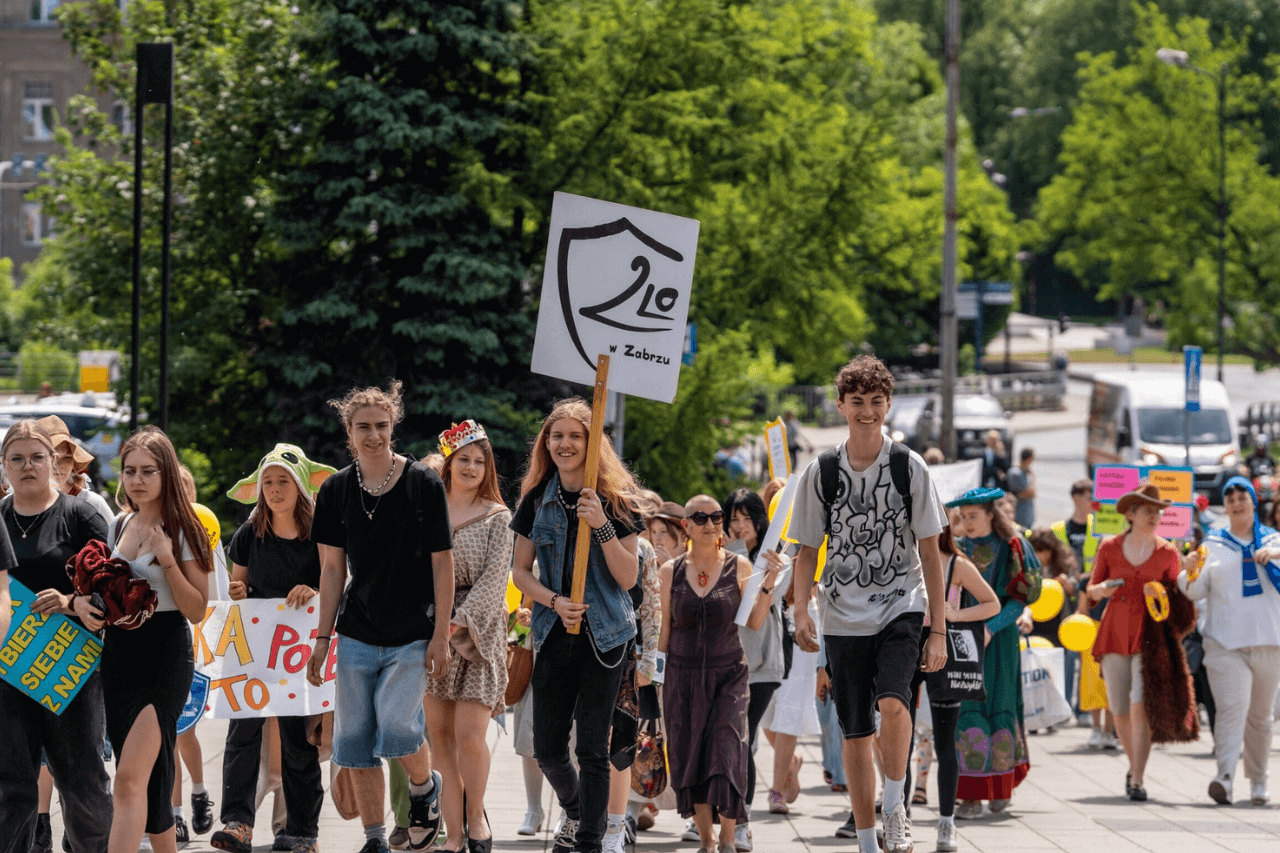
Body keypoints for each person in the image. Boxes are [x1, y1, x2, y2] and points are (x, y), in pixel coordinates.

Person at [790, 355, 949, 853]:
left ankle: (896, 803)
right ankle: (865, 841)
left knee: (894, 702)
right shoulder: (823, 471)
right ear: (840, 405)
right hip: (840, 613)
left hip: (900, 603)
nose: (866, 411)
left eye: (876, 402)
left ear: (888, 405)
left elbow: (931, 552)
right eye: (856, 402)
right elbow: (806, 551)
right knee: (855, 731)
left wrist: (938, 629)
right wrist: (800, 610)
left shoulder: (908, 466)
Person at [306, 381, 454, 853]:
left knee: (397, 729)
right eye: (364, 427)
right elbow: (332, 569)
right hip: (356, 633)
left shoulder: (422, 484)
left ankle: (424, 788)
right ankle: (373, 838)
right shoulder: (334, 490)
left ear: (394, 427)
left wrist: (441, 634)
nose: (374, 435)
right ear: (349, 432)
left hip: (413, 631)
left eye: (382, 426)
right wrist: (321, 639)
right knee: (352, 742)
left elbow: (442, 562)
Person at [510, 398, 645, 853]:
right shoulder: (536, 499)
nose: (565, 443)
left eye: (575, 435)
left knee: (591, 748)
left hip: (606, 638)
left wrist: (602, 525)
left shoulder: (616, 499)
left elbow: (628, 578)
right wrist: (554, 601)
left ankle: (589, 841)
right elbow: (521, 572)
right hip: (553, 631)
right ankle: (576, 813)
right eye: (557, 435)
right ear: (546, 443)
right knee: (546, 747)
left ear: (592, 444)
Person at [210, 444, 336, 853]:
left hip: (299, 654)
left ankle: (302, 833)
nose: (275, 489)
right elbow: (239, 589)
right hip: (255, 651)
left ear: (300, 485)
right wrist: (238, 590)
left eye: (283, 481)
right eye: (268, 482)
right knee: (241, 734)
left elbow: (336, 584)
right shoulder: (249, 534)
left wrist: (313, 590)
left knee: (297, 742)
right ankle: (237, 823)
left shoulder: (321, 533)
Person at [0, 419, 111, 853]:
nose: (27, 466)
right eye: (17, 459)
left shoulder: (80, 514)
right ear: (4, 466)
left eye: (37, 458)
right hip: (7, 672)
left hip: (70, 671)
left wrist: (71, 600)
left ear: (54, 463)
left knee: (83, 781)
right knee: (11, 786)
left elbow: (111, 587)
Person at [104, 426, 215, 853]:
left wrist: (167, 558)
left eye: (148, 470)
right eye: (130, 470)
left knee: (128, 778)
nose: (137, 480)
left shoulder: (186, 527)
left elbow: (197, 609)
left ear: (166, 473)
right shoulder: (119, 524)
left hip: (164, 655)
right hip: (117, 657)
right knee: (149, 784)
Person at [658, 494, 780, 853]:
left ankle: (729, 838)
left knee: (726, 752)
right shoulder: (671, 572)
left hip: (729, 675)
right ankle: (707, 842)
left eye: (716, 517)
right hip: (682, 675)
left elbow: (755, 621)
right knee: (690, 755)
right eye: (700, 517)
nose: (710, 524)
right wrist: (653, 679)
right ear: (687, 526)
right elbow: (663, 630)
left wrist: (768, 583)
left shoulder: (740, 567)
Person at [424, 421, 514, 853]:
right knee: (437, 737)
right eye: (464, 459)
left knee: (470, 735)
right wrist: (433, 624)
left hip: (477, 637)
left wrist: (456, 623)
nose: (473, 467)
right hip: (430, 631)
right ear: (449, 462)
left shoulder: (499, 517)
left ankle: (476, 816)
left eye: (480, 461)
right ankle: (454, 833)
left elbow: (495, 581)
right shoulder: (427, 508)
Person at [1086, 482, 1194, 802]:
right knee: (1119, 707)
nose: (1155, 516)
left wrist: (1182, 580)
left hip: (1150, 637)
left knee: (1139, 705)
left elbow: (1178, 598)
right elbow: (1091, 590)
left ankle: (1137, 777)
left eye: (1158, 511)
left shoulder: (1168, 552)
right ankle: (1134, 767)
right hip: (1115, 630)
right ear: (1131, 513)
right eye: (1148, 511)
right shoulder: (1108, 546)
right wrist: (1101, 589)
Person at [1179, 476, 1280, 806]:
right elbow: (1193, 591)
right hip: (1225, 643)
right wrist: (1188, 568)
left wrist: (1274, 556)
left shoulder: (1275, 541)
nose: (1237, 501)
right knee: (1231, 709)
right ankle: (1224, 777)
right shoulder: (1212, 546)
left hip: (1268, 640)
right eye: (1230, 496)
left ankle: (1259, 781)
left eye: (1243, 496)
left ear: (1254, 502)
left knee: (1261, 717)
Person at [904, 523, 1000, 853]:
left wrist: (956, 615)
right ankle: (900, 817)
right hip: (903, 646)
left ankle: (946, 823)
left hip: (942, 647)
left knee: (945, 740)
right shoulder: (902, 555)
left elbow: (993, 604)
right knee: (900, 740)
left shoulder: (957, 564)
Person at [948, 487, 1041, 818]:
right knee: (965, 711)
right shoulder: (954, 548)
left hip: (999, 642)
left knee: (1000, 706)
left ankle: (1000, 786)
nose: (967, 522)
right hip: (959, 641)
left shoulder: (1014, 547)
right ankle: (970, 797)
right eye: (962, 517)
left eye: (974, 516)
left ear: (991, 513)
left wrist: (990, 628)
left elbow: (1021, 599)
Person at [721, 488, 785, 850]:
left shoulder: (776, 558)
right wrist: (730, 549)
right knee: (728, 737)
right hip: (727, 658)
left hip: (762, 663)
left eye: (747, 518)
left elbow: (765, 598)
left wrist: (755, 561)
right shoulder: (721, 553)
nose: (741, 526)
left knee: (742, 736)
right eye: (734, 519)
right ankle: (720, 814)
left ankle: (741, 819)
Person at [42, 416, 114, 528]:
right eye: (52, 458)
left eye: (67, 458)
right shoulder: (18, 504)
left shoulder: (92, 503)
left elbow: (113, 543)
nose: (59, 466)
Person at [1005, 448, 1036, 529]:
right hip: (1019, 513)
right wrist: (1027, 493)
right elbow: (1015, 493)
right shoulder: (1015, 472)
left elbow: (1033, 492)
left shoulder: (1027, 472)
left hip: (1028, 514)